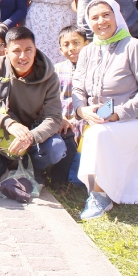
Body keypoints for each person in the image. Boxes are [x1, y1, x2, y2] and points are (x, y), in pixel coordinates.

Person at [72, 0, 138, 220]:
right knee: (95, 132)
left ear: (116, 16)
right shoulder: (87, 51)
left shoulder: (134, 47)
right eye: (94, 17)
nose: (101, 21)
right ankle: (97, 190)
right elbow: (78, 89)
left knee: (97, 135)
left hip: (133, 120)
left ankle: (99, 196)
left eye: (105, 15)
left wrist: (118, 113)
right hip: (98, 118)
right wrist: (82, 111)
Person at [0, 26, 67, 189]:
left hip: (33, 134)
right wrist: (8, 123)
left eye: (28, 50)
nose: (23, 56)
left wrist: (31, 137)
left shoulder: (49, 76)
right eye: (16, 50)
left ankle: (32, 169)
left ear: (35, 50)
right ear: (6, 51)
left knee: (56, 148)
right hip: (1, 131)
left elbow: (53, 118)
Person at [55, 25, 89, 186]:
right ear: (60, 49)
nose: (72, 48)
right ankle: (61, 179)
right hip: (63, 122)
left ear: (86, 44)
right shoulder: (57, 70)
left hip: (86, 122)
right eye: (66, 44)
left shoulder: (94, 69)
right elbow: (52, 98)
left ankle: (77, 178)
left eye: (76, 42)